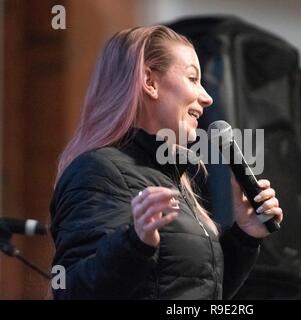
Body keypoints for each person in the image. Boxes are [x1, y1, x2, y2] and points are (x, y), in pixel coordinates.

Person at [50, 25, 283, 300]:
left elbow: (190, 290)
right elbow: (70, 290)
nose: (207, 98)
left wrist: (245, 236)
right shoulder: (96, 171)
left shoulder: (173, 180)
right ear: (150, 82)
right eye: (193, 79)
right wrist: (135, 244)